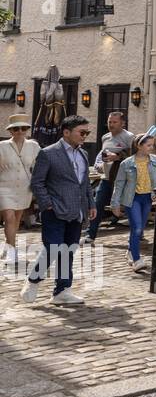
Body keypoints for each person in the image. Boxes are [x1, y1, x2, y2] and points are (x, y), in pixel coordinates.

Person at [21, 115, 95, 305]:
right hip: (54, 210)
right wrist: (47, 204)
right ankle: (33, 280)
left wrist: (91, 204)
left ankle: (62, 291)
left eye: (87, 132)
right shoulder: (48, 153)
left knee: (68, 250)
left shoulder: (83, 154)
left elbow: (85, 182)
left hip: (77, 210)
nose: (85, 136)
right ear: (66, 132)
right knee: (53, 249)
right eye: (82, 132)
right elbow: (37, 182)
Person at [109, 133, 156, 273]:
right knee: (137, 228)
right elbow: (119, 184)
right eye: (148, 145)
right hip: (132, 199)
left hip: (147, 198)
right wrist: (114, 204)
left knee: (139, 230)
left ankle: (130, 251)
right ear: (139, 145)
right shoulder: (126, 163)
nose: (151, 148)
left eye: (152, 145)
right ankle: (137, 260)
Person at [85, 111, 133, 247]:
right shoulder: (105, 137)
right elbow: (102, 155)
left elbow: (135, 156)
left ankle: (137, 233)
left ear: (122, 123)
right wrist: (100, 164)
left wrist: (117, 156)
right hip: (106, 178)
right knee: (97, 204)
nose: (111, 124)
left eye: (114, 122)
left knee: (128, 206)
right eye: (109, 122)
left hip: (124, 179)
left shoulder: (129, 137)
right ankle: (90, 235)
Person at [1, 115, 40, 267]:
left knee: (16, 219)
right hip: (4, 187)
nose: (20, 131)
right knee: (9, 217)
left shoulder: (34, 146)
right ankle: (11, 251)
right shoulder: (2, 146)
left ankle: (7, 244)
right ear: (10, 131)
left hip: (24, 188)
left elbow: (40, 166)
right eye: (16, 128)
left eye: (23, 128)